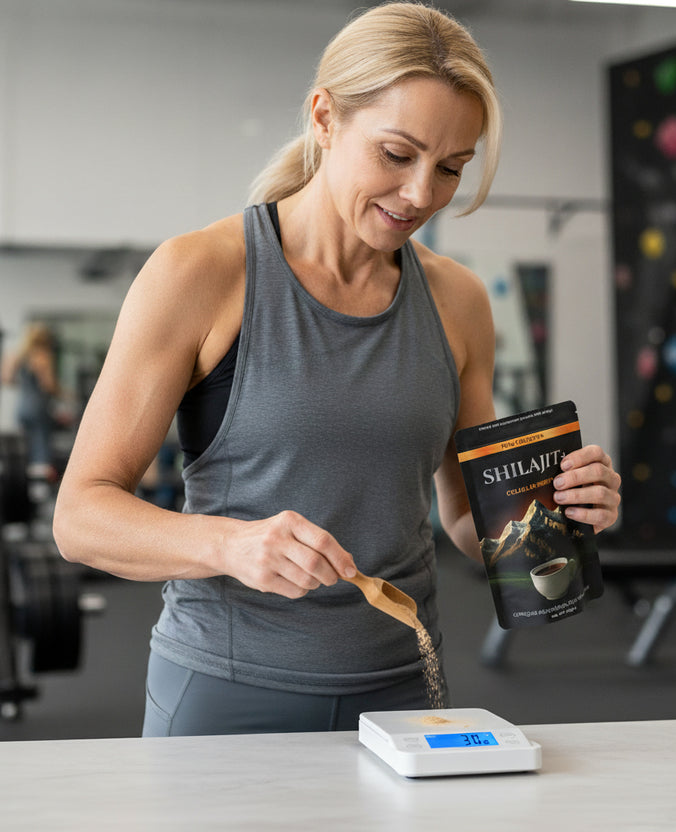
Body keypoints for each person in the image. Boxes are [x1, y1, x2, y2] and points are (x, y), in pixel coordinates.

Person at [53, 1, 621, 737]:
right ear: (325, 118)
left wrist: (556, 511)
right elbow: (80, 517)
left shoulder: (458, 300)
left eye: (451, 168)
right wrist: (229, 543)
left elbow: (466, 517)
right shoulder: (202, 273)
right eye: (396, 154)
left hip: (404, 686)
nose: (422, 194)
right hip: (227, 690)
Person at [1, 321, 60, 479]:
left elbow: (6, 379)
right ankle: (40, 487)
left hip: (21, 406)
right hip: (38, 407)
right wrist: (62, 392)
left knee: (25, 446)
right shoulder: (42, 357)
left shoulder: (18, 355)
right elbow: (49, 386)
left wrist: (25, 383)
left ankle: (26, 483)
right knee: (41, 446)